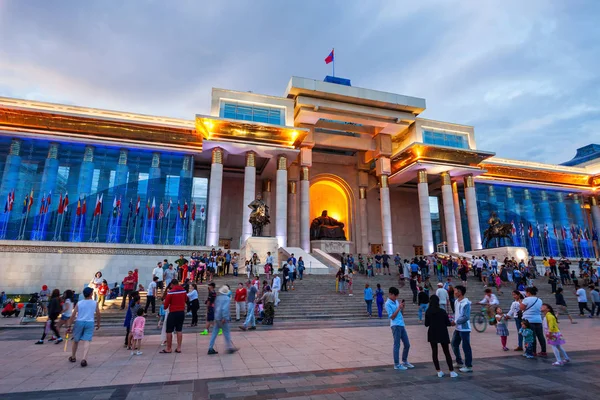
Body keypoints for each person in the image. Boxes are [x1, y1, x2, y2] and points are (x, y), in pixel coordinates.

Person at [66, 287, 100, 367]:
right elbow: (98, 313)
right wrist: (98, 323)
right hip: (90, 322)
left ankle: (73, 356)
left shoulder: (79, 303)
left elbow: (73, 314)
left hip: (79, 322)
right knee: (87, 340)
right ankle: (84, 358)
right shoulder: (95, 303)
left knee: (76, 340)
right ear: (91, 294)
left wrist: (69, 325)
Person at [424, 295, 457, 378]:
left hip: (432, 332)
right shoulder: (442, 311)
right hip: (442, 332)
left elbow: (426, 324)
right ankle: (451, 371)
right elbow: (448, 323)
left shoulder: (428, 311)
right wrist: (452, 323)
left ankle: (439, 371)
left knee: (434, 352)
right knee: (446, 352)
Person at [385, 286, 413, 371]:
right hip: (395, 325)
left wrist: (402, 307)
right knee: (397, 344)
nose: (396, 297)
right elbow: (392, 317)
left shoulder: (396, 301)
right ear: (390, 294)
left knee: (407, 344)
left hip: (401, 324)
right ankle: (396, 364)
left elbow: (401, 313)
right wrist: (398, 308)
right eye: (395, 295)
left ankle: (404, 361)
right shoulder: (387, 304)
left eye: (397, 296)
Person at [208, 285, 237, 355]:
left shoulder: (218, 298)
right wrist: (224, 317)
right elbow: (224, 309)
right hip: (222, 318)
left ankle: (210, 348)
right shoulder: (226, 298)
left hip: (217, 317)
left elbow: (215, 307)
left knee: (214, 333)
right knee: (226, 333)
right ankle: (229, 347)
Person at [160, 279, 187, 354]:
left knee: (169, 330)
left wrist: (165, 304)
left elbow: (165, 306)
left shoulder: (171, 292)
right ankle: (179, 348)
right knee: (179, 330)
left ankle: (169, 348)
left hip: (173, 312)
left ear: (172, 284)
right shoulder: (183, 291)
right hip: (181, 312)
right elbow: (186, 299)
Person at [451, 285, 473, 373]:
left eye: (455, 291)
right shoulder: (456, 301)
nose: (454, 292)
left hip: (464, 329)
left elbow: (466, 317)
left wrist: (456, 322)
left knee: (466, 346)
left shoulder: (466, 303)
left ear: (460, 292)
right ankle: (459, 361)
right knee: (454, 344)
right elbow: (457, 314)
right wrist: (453, 320)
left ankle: (469, 365)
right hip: (458, 328)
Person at [520, 286, 546, 357]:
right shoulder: (539, 300)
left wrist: (520, 302)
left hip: (528, 320)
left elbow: (521, 308)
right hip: (538, 319)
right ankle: (543, 351)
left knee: (531, 336)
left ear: (528, 292)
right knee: (540, 336)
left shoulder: (526, 299)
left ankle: (533, 351)